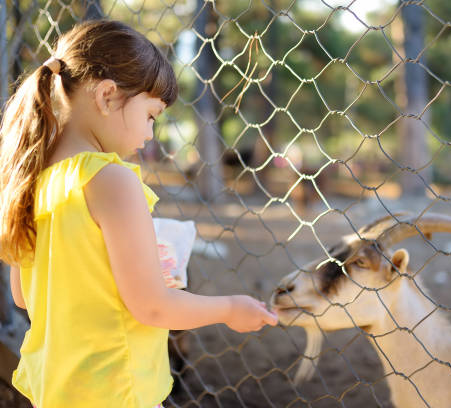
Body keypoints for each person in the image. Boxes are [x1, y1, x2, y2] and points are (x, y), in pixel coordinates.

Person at [0, 20, 277, 408]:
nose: (150, 134)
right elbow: (151, 306)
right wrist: (230, 308)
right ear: (109, 96)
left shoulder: (35, 178)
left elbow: (23, 296)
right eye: (151, 115)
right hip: (116, 388)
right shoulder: (111, 180)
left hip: (58, 388)